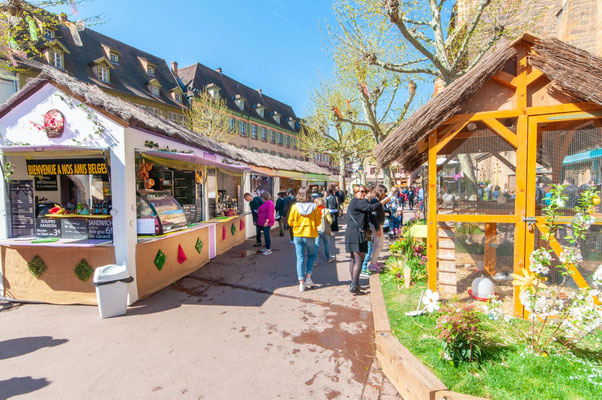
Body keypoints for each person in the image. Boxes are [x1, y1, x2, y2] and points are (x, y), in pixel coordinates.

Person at [345, 184, 389, 295]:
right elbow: (372, 208)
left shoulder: (356, 202)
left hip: (354, 233)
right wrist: (384, 201)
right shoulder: (358, 202)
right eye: (361, 191)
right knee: (358, 260)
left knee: (354, 260)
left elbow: (370, 212)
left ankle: (354, 283)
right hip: (357, 234)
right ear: (355, 192)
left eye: (364, 191)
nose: (363, 193)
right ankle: (354, 285)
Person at [288, 187, 322, 292]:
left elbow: (290, 222)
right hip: (310, 234)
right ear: (309, 195)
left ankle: (301, 283)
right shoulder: (314, 207)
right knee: (311, 255)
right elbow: (318, 222)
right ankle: (308, 278)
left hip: (298, 234)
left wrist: (297, 224)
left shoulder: (294, 207)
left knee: (300, 258)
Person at [362, 184, 388, 275]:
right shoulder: (374, 201)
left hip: (376, 225)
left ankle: (373, 262)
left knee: (376, 244)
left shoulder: (375, 200)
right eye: (384, 193)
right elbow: (373, 216)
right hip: (375, 226)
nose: (385, 195)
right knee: (378, 245)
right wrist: (377, 228)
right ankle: (371, 264)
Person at [314, 197, 336, 263]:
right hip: (324, 229)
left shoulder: (314, 210)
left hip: (316, 229)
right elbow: (330, 220)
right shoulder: (325, 210)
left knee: (316, 245)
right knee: (326, 243)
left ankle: (314, 260)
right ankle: (329, 258)